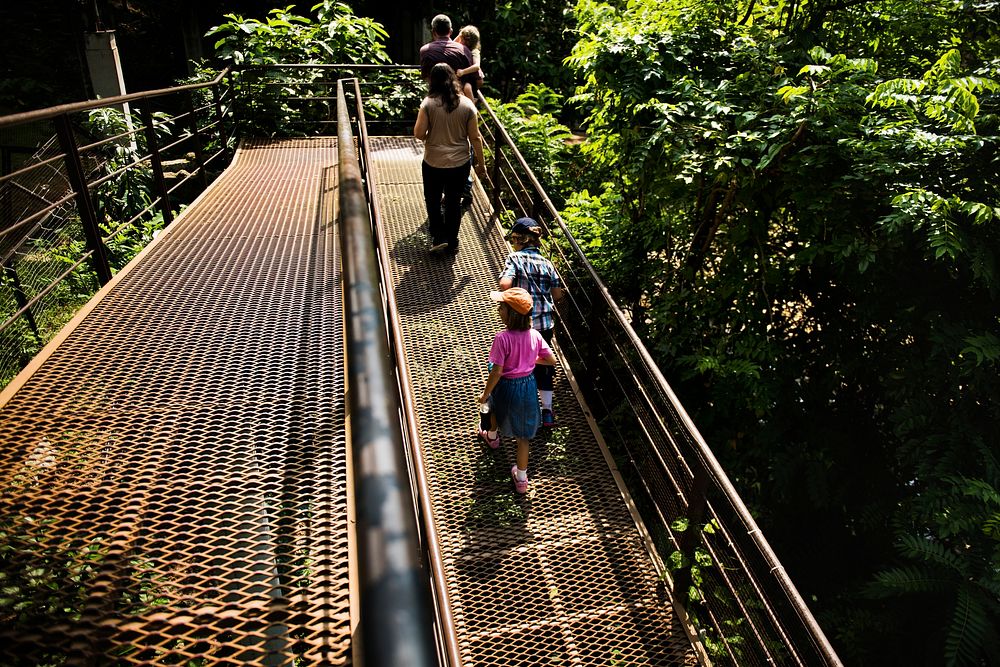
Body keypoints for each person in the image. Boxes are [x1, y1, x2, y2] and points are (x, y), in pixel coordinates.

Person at [479, 287, 557, 494]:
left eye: (501, 307)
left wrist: (485, 394)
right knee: (524, 436)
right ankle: (521, 479)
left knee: (494, 409)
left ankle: (493, 437)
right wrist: (531, 361)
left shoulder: (502, 338)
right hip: (528, 386)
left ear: (511, 314)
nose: (498, 309)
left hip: (506, 385)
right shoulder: (535, 335)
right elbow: (551, 359)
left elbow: (496, 371)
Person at [413, 63, 486, 254]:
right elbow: (475, 137)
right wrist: (481, 163)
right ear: (454, 79)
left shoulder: (428, 104)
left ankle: (438, 236)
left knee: (433, 199)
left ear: (432, 81)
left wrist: (432, 136)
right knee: (454, 201)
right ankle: (452, 241)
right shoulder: (467, 105)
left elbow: (419, 134)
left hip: (433, 162)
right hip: (459, 163)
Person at [498, 218, 565, 426]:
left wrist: (514, 294)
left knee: (516, 365)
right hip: (544, 324)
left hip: (522, 324)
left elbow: (504, 284)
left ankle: (515, 408)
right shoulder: (547, 263)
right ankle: (547, 411)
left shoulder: (514, 258)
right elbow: (557, 294)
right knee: (544, 367)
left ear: (519, 239)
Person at [419, 14, 476, 102]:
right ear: (451, 31)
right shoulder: (464, 50)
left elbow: (425, 76)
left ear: (433, 32)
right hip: (459, 101)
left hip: (434, 100)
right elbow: (474, 79)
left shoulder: (425, 50)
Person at [454, 25, 484, 100]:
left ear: (467, 41)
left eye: (461, 39)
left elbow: (477, 66)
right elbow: (452, 44)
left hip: (474, 79)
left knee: (467, 88)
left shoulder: (474, 51)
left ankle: (472, 107)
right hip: (466, 78)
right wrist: (460, 34)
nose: (459, 41)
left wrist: (463, 72)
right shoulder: (461, 49)